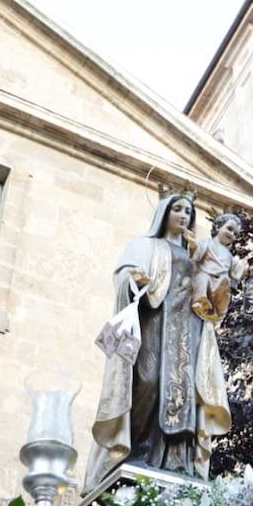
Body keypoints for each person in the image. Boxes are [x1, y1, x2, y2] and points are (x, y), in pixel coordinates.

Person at [87, 194, 233, 485]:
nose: (183, 214)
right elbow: (123, 275)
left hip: (189, 333)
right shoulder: (145, 245)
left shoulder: (197, 255)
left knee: (188, 394)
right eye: (177, 209)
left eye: (188, 211)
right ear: (164, 213)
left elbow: (214, 294)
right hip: (153, 323)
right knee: (149, 381)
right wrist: (134, 279)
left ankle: (178, 461)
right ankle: (137, 451)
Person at [185, 212, 248, 323]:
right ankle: (200, 301)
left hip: (220, 282)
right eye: (229, 229)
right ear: (218, 227)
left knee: (225, 284)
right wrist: (193, 243)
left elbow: (235, 272)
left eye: (236, 234)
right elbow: (197, 254)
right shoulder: (207, 243)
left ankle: (218, 309)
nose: (232, 234)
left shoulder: (229, 255)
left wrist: (247, 270)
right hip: (205, 274)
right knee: (202, 278)